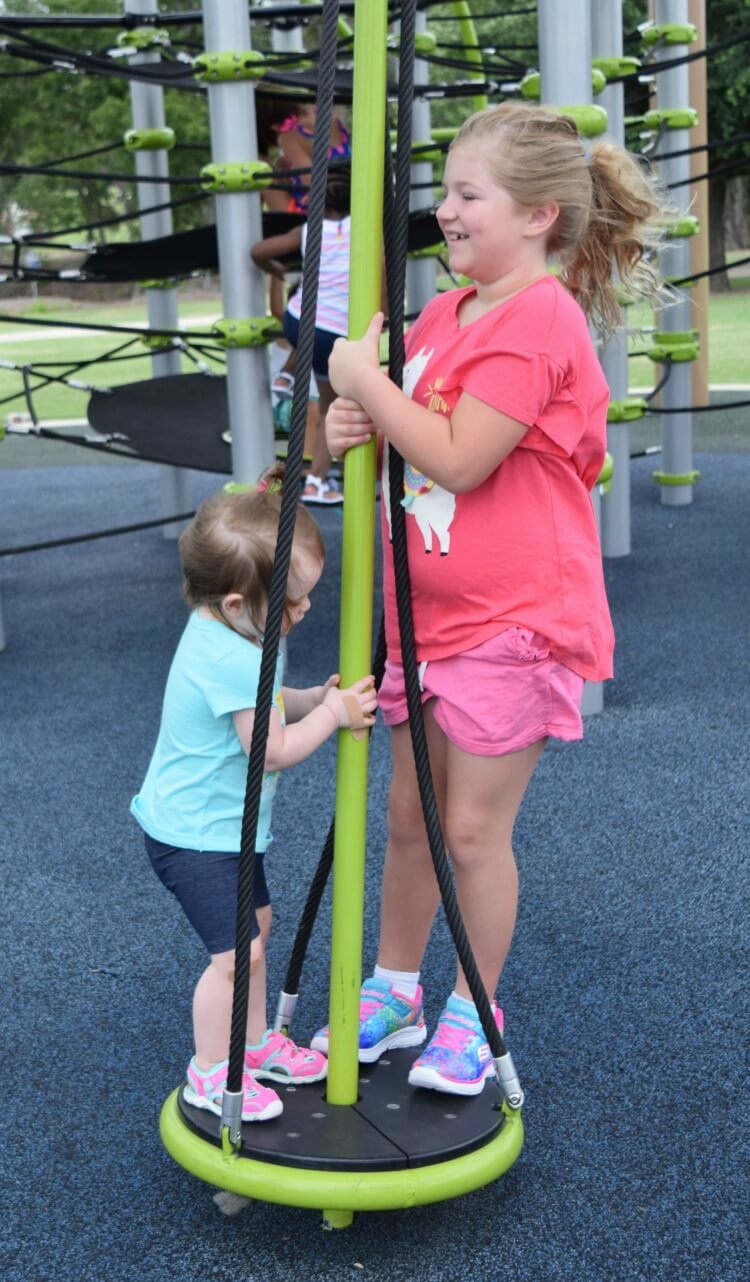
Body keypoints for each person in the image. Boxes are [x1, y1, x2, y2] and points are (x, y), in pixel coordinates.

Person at [315, 102, 667, 1096]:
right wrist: (342, 418)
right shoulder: (440, 315)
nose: (448, 210)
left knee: (470, 828)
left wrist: (363, 381)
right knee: (410, 817)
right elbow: (374, 434)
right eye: (449, 191)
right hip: (423, 622)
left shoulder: (539, 317)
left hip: (516, 618)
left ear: (540, 216)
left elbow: (462, 460)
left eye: (470, 195)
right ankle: (395, 986)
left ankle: (474, 1004)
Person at [131, 465, 376, 1123]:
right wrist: (335, 717)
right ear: (238, 603)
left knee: (258, 933)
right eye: (293, 602)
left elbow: (269, 705)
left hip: (226, 829)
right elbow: (270, 749)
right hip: (193, 837)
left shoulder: (237, 633)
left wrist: (315, 698)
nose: (305, 611)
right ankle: (210, 1074)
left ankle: (257, 1042)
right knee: (239, 957)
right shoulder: (233, 654)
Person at [251, 169, 352, 506]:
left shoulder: (308, 231)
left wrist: (276, 271)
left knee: (308, 335)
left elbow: (259, 251)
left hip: (298, 320)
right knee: (331, 408)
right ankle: (317, 482)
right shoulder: (365, 233)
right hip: (330, 331)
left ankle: (286, 374)